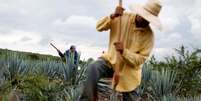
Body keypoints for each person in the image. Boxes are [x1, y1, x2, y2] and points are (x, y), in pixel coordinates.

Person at [79, 0, 162, 101]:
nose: (146, 20)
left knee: (132, 98)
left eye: (149, 19)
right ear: (140, 13)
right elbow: (99, 27)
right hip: (110, 61)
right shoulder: (122, 17)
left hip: (129, 72)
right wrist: (112, 16)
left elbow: (140, 60)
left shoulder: (149, 37)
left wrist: (124, 52)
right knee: (94, 67)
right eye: (144, 16)